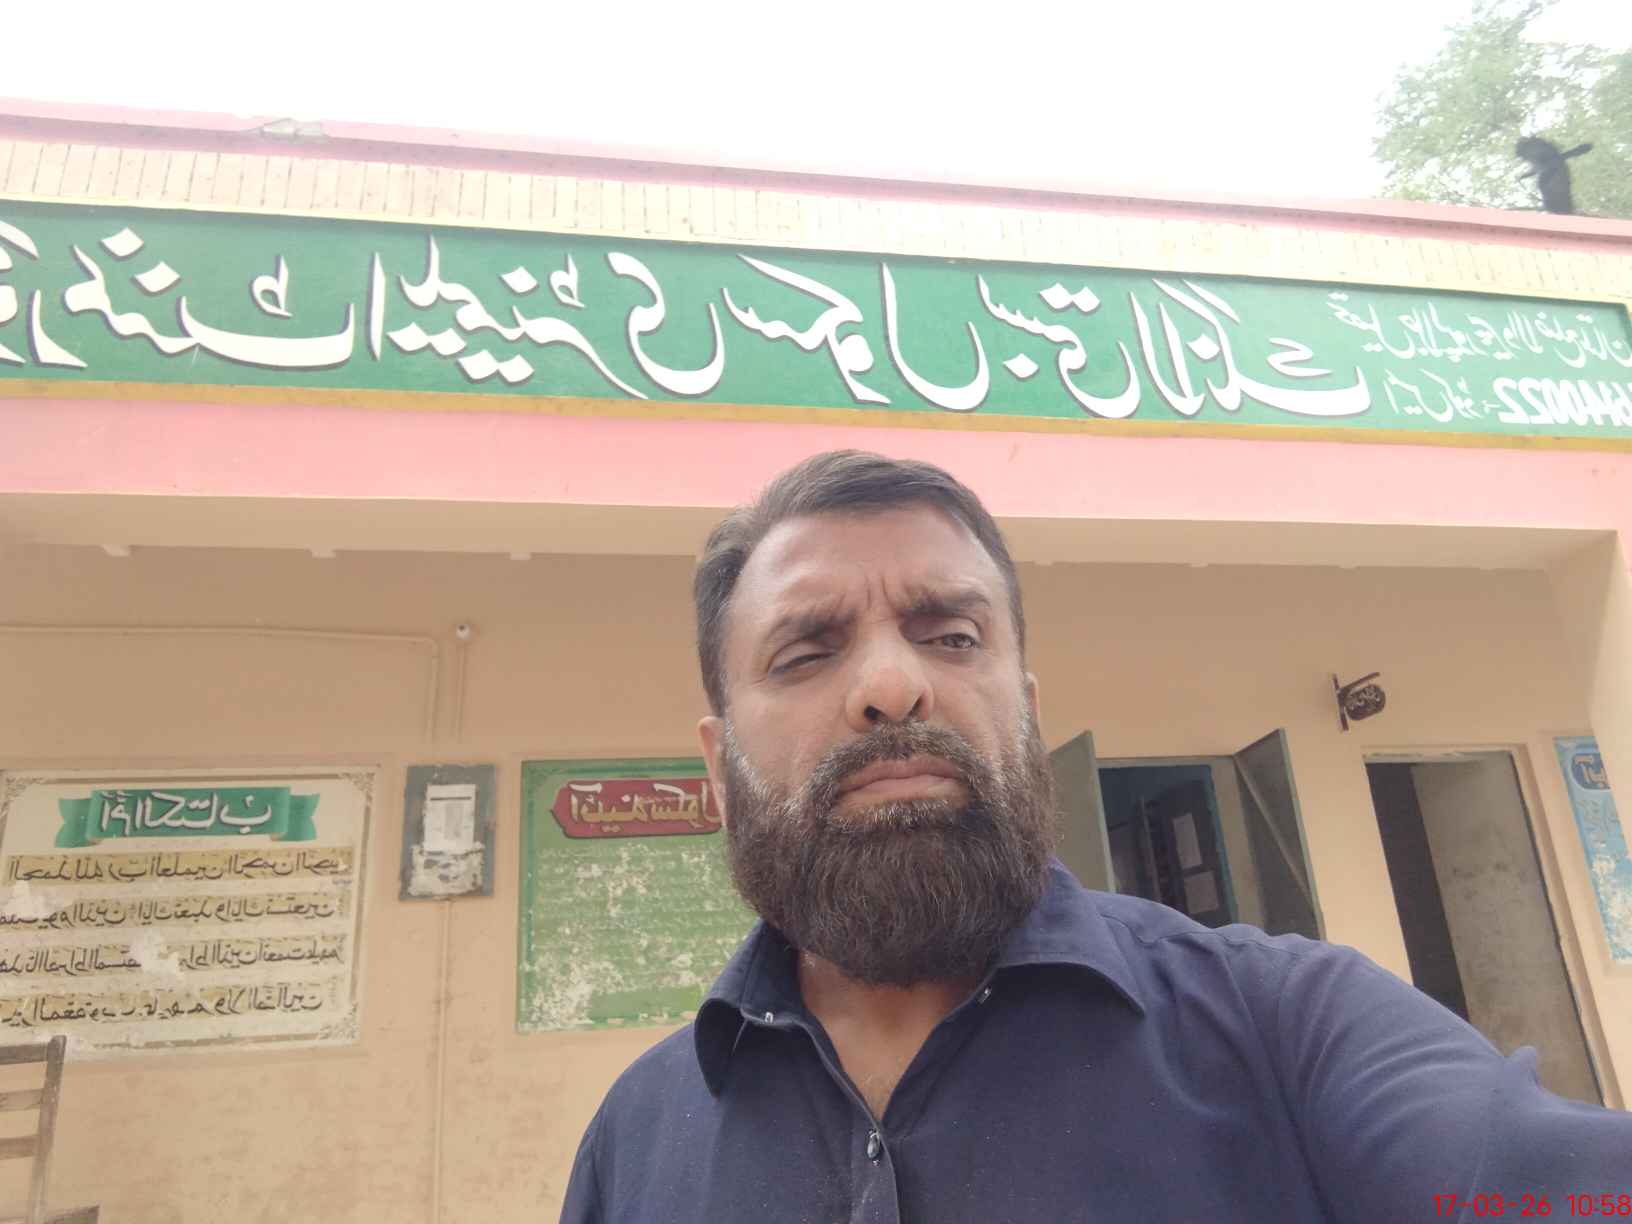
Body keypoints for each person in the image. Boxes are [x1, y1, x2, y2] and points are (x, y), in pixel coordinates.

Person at [561, 450, 1630, 1223]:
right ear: (718, 767)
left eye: (952, 636)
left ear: (1027, 713)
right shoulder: (635, 1140)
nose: (891, 685)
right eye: (806, 654)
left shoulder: (1292, 1030)